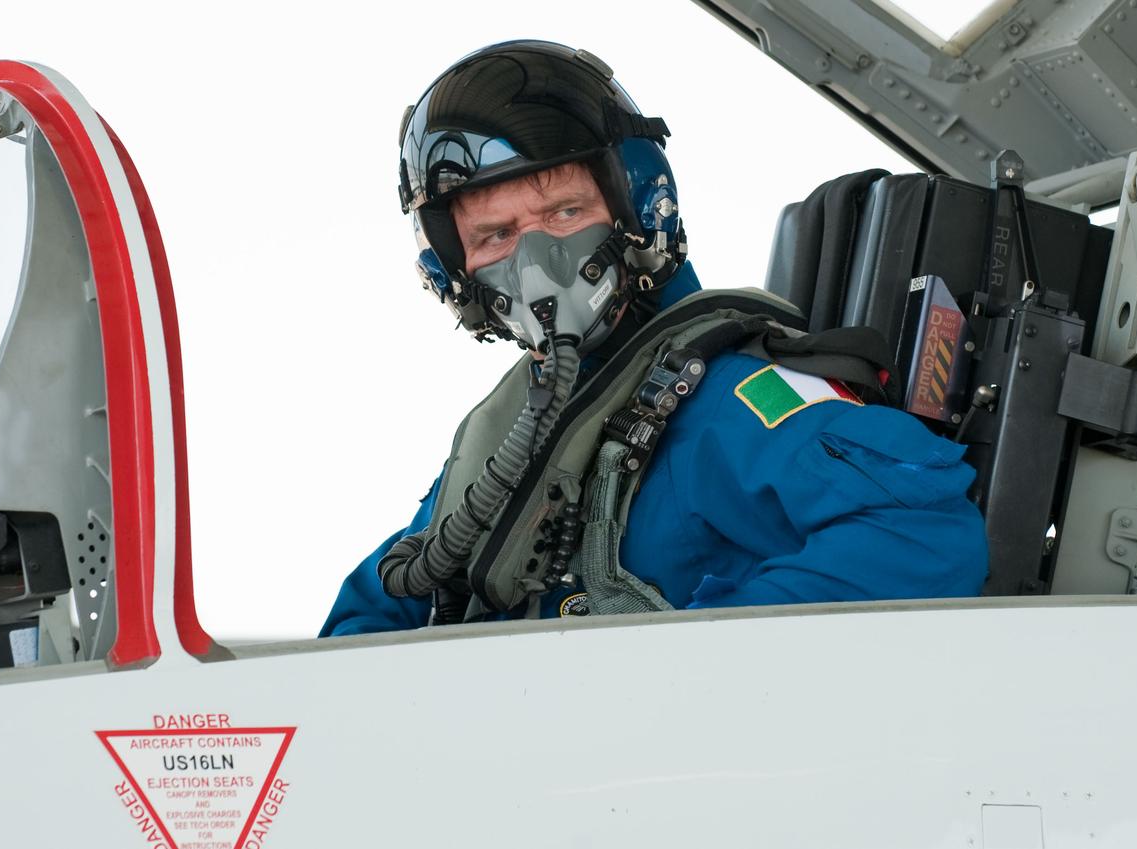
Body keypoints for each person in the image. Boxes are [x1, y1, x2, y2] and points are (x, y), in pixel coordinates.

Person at [320, 40, 987, 636]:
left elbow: (922, 530)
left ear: (637, 211)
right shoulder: (511, 437)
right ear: (455, 270)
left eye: (564, 212)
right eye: (496, 235)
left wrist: (675, 673)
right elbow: (374, 609)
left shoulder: (730, 399)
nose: (536, 261)